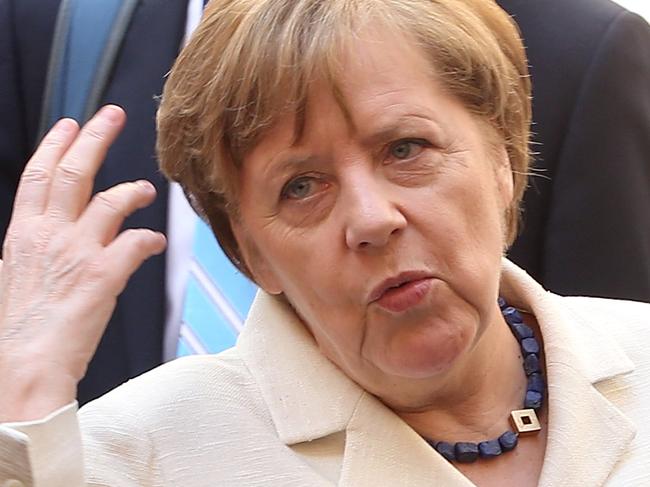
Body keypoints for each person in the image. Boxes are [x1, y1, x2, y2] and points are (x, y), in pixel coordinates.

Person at [1, 1, 650, 485]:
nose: (371, 218)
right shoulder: (128, 455)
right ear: (246, 252)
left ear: (504, 161)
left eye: (405, 148)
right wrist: (24, 391)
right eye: (302, 186)